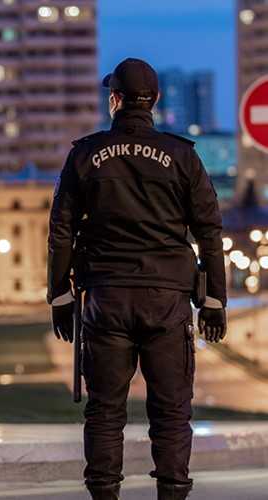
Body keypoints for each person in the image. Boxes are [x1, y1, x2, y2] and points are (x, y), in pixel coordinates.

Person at [46, 58, 227, 500]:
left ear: (114, 100)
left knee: (105, 410)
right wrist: (215, 299)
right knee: (171, 411)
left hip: (106, 297)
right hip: (167, 299)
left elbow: (62, 228)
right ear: (156, 101)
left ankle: (105, 494)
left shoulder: (86, 153)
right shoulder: (183, 155)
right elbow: (209, 229)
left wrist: (59, 296)